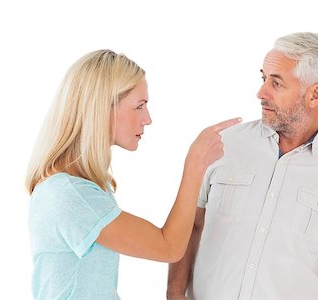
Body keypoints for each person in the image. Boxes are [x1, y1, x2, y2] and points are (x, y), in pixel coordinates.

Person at [25, 49, 241, 299]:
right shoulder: (71, 195)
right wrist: (195, 165)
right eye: (139, 106)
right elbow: (169, 247)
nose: (147, 119)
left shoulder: (82, 187)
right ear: (101, 108)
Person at [167, 32, 318, 300]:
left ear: (315, 94)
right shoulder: (223, 144)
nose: (261, 92)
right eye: (263, 78)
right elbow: (190, 227)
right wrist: (174, 294)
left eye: (277, 83)